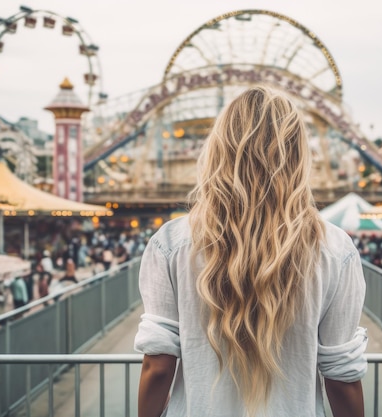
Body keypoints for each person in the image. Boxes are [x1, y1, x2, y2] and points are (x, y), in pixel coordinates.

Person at [134, 87, 367, 417]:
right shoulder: (335, 248)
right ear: (297, 155)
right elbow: (342, 376)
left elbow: (158, 367)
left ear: (218, 149)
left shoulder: (171, 242)